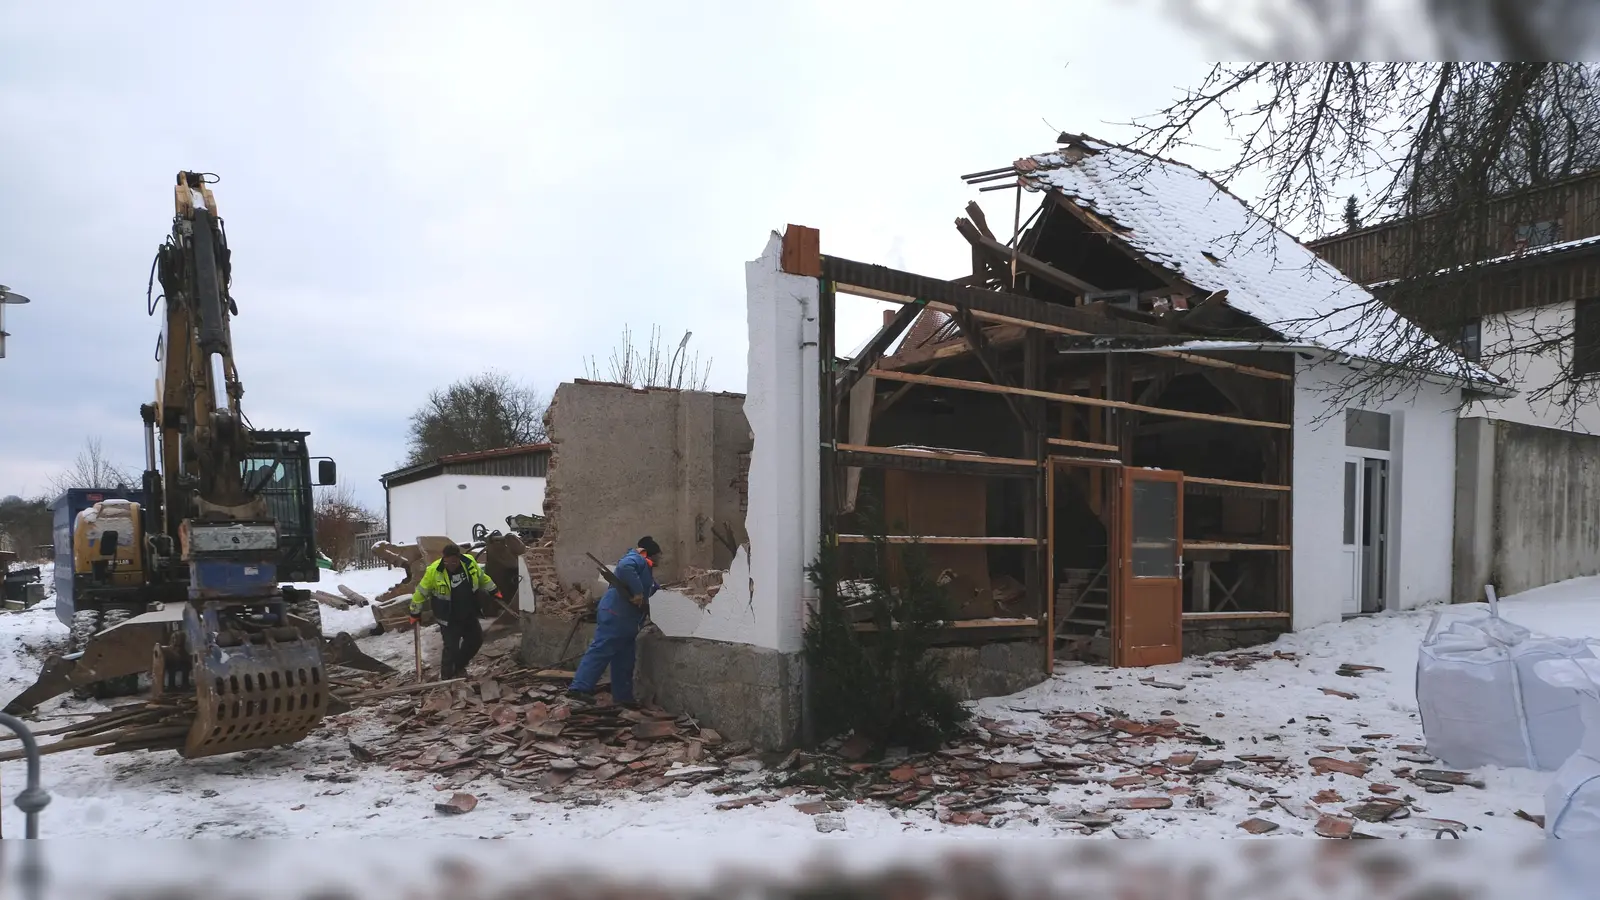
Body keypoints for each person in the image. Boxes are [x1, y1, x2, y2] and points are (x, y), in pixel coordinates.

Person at [566, 536, 660, 707]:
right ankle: (579, 688)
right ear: (650, 554)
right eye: (658, 555)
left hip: (628, 621)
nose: (660, 559)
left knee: (625, 659)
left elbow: (652, 588)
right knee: (602, 649)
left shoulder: (646, 570)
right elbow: (625, 568)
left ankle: (623, 697)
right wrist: (638, 592)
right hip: (616, 614)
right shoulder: (636, 559)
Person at [410, 543, 500, 680]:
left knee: (475, 640)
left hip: (468, 612)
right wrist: (415, 613)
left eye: (453, 561)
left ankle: (458, 667)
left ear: (459, 558)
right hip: (448, 616)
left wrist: (493, 590)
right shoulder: (434, 571)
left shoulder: (469, 563)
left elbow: (482, 578)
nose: (449, 564)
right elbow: (421, 592)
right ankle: (446, 678)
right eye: (446, 561)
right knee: (451, 648)